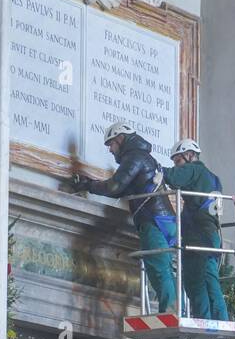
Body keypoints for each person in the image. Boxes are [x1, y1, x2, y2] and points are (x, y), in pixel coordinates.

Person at [69, 122, 178, 311]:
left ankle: (171, 313)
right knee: (164, 268)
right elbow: (120, 189)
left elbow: (114, 187)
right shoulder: (144, 157)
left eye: (111, 144)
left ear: (120, 138)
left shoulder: (134, 157)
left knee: (159, 269)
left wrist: (88, 185)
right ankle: (175, 309)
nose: (111, 150)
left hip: (153, 220)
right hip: (164, 220)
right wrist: (91, 184)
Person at [162, 139, 229, 321]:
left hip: (199, 236)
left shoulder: (195, 169)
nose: (177, 166)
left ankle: (210, 322)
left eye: (178, 161)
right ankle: (213, 320)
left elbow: (173, 177)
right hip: (210, 235)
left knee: (197, 283)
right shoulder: (213, 178)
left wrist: (153, 168)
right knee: (208, 281)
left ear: (190, 155)